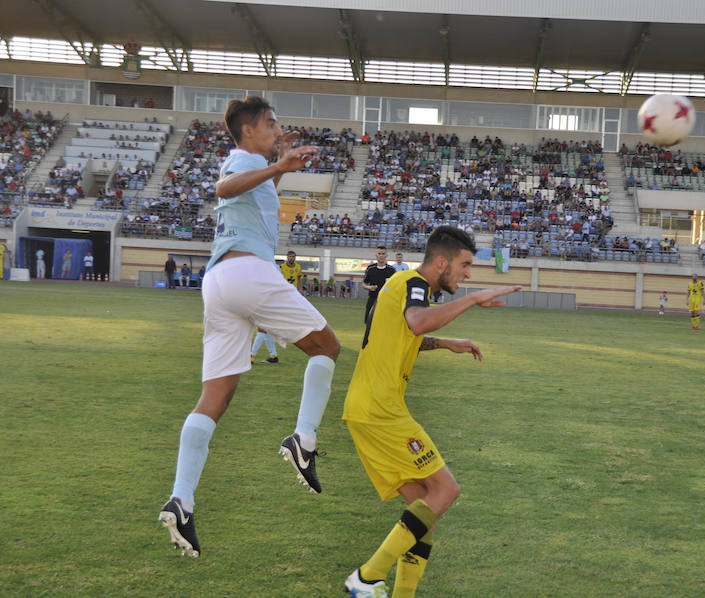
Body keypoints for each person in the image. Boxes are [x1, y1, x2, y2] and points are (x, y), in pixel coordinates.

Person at [158, 95, 340, 558]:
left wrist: (281, 166)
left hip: (219, 282)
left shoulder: (255, 162)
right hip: (247, 273)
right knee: (327, 347)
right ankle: (304, 438)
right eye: (271, 124)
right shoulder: (240, 159)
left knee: (215, 397)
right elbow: (225, 188)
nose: (279, 130)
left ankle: (182, 500)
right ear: (248, 131)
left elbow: (250, 194)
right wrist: (275, 163)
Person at [342, 226, 521, 598]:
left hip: (364, 407)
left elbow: (397, 334)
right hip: (381, 410)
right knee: (445, 490)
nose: (468, 274)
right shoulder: (413, 283)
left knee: (425, 513)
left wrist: (444, 344)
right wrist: (472, 301)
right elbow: (417, 321)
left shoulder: (400, 285)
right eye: (465, 265)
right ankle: (367, 576)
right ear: (442, 262)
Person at [362, 245, 395, 322]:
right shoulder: (370, 269)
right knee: (369, 323)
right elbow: (364, 284)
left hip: (386, 301)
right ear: (376, 255)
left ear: (386, 255)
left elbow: (394, 286)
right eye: (379, 253)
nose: (381, 256)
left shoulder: (391, 270)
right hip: (372, 299)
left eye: (383, 254)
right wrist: (369, 287)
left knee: (384, 323)